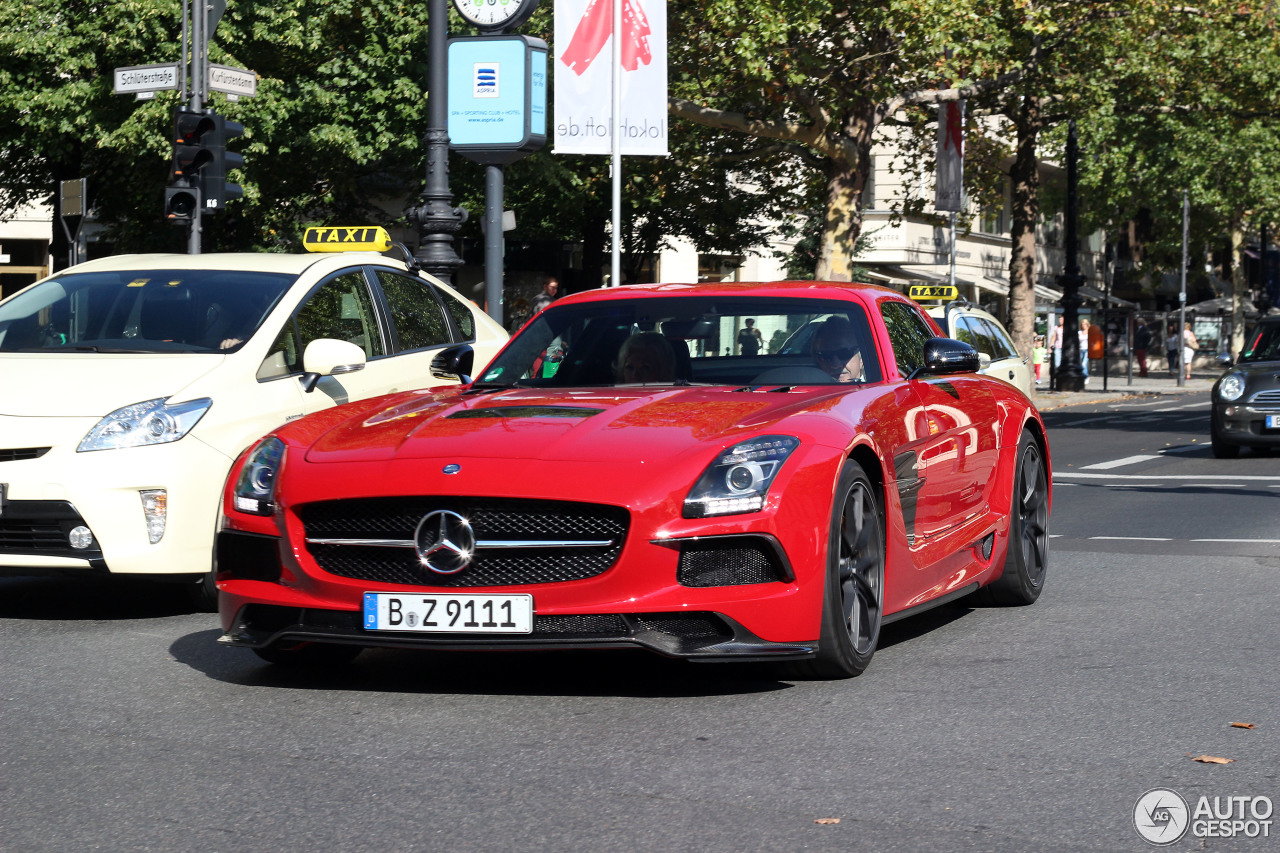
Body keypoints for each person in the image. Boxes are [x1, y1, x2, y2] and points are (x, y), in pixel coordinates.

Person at [812, 316, 865, 383]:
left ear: (862, 359)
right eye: (826, 355)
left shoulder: (876, 390)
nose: (836, 365)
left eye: (844, 354)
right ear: (817, 360)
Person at [1046, 315, 1064, 388]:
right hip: (1058, 347)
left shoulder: (1067, 328)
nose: (1060, 321)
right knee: (1057, 364)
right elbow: (1054, 337)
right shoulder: (1057, 328)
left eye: (1061, 319)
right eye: (1059, 319)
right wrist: (1050, 347)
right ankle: (1057, 378)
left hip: (1065, 348)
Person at [1079, 319, 1091, 385]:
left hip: (1087, 349)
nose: (1083, 326)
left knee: (1084, 364)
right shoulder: (1079, 332)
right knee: (1081, 365)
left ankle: (1086, 377)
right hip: (1080, 349)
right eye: (1082, 324)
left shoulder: (1090, 332)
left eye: (1085, 324)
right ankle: (1084, 376)